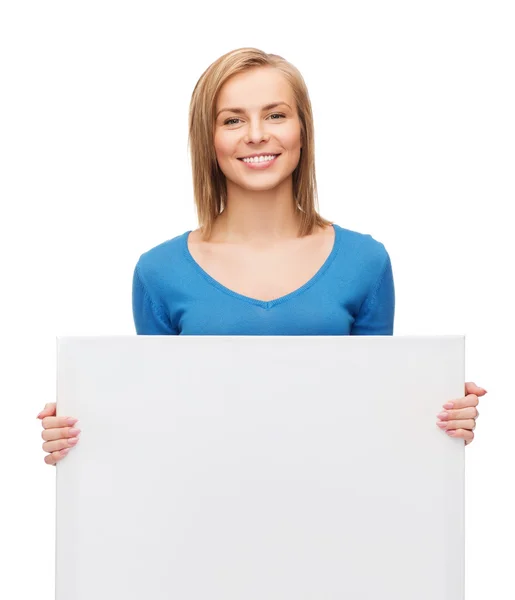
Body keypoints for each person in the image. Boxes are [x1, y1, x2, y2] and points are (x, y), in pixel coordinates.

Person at [37, 47, 486, 465]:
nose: (256, 135)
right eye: (232, 120)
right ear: (207, 139)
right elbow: (159, 422)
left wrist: (435, 411)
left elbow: (375, 408)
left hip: (337, 518)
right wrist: (87, 430)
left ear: (302, 130)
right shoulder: (159, 272)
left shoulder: (365, 262)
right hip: (204, 522)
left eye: (275, 115)